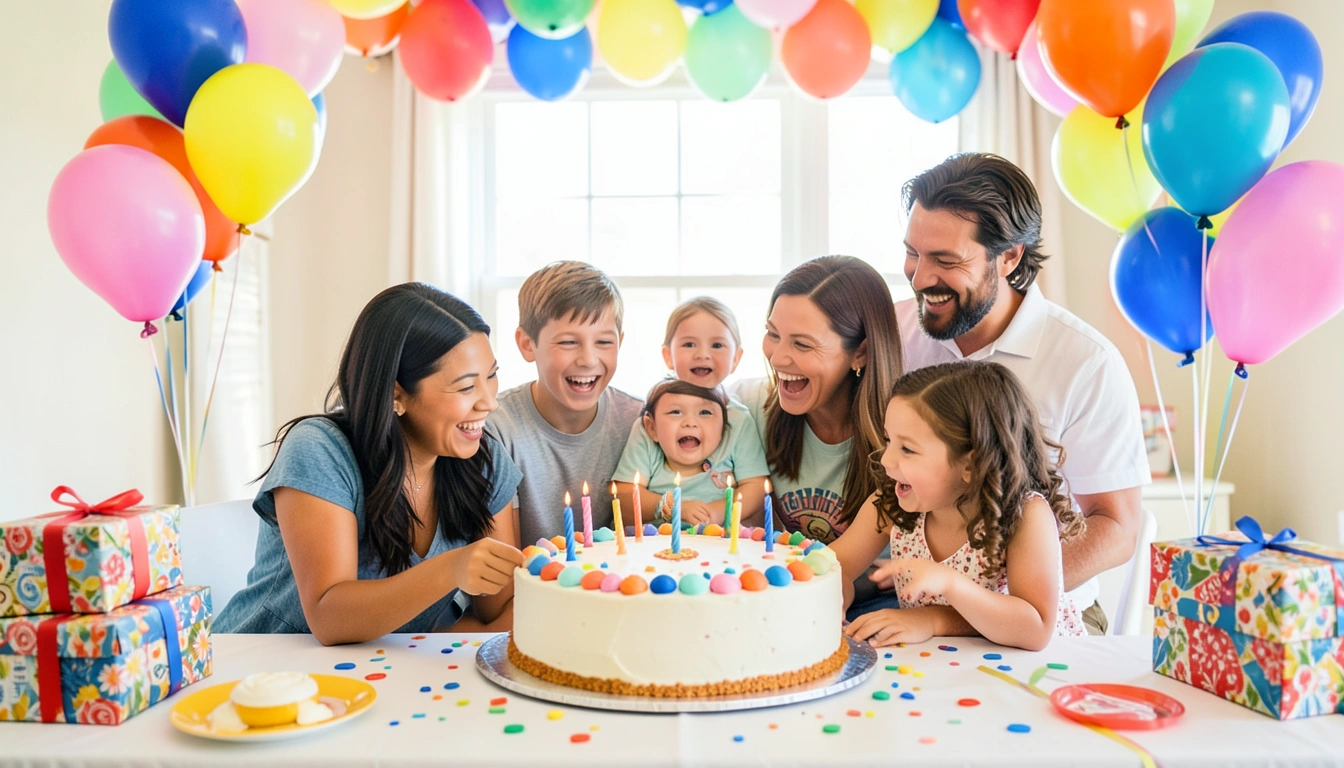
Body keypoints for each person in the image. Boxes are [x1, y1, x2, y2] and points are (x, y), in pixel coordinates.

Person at [896, 153, 1150, 635]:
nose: (920, 277)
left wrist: (989, 602)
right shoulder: (897, 331)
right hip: (914, 607)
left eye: (946, 260)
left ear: (1010, 257)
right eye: (913, 252)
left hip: (1045, 619)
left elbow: (1116, 528)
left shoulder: (1085, 362)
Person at [216, 283, 524, 644]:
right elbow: (329, 617)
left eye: (491, 376)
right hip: (260, 669)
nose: (490, 402)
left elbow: (497, 612)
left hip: (384, 675)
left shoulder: (482, 458)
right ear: (397, 394)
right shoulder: (320, 450)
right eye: (466, 387)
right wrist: (452, 569)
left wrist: (550, 581)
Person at [833, 362, 1088, 650]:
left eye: (907, 449)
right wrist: (831, 598)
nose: (886, 460)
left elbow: (1036, 629)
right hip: (941, 671)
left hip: (1038, 674)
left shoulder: (1024, 516)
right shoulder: (891, 505)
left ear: (971, 464)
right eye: (889, 440)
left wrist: (947, 588)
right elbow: (833, 567)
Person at [484, 261, 644, 548]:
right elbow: (502, 571)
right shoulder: (498, 428)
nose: (588, 359)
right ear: (527, 344)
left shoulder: (639, 423)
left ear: (620, 341)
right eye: (569, 342)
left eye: (604, 342)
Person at [613, 298, 769, 525]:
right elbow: (625, 494)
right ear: (668, 356)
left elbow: (755, 486)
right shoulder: (652, 419)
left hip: (718, 543)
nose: (702, 354)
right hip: (654, 543)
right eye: (689, 345)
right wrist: (672, 507)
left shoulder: (738, 420)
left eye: (717, 345)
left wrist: (716, 513)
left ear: (736, 358)